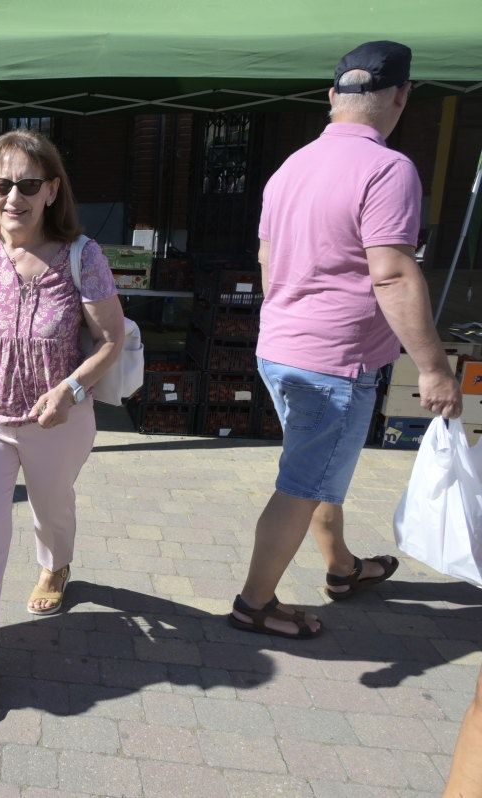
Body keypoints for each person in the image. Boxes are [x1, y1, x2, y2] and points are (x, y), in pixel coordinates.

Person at [230, 41, 463, 640]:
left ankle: (340, 568)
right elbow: (391, 271)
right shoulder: (389, 169)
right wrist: (434, 368)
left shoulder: (291, 167)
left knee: (316, 467)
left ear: (333, 97)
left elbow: (266, 256)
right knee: (303, 482)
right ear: (402, 97)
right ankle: (253, 605)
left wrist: (289, 314)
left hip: (281, 349)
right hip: (337, 362)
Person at [0, 129, 125, 723]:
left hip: (57, 421)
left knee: (52, 507)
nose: (14, 197)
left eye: (28, 185)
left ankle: (57, 564)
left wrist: (72, 388)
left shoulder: (81, 256)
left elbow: (112, 339)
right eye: (1, 184)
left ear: (52, 190)